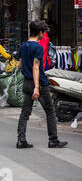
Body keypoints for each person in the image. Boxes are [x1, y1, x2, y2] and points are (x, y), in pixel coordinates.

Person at [16, 20, 68, 149]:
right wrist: (37, 87)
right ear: (40, 32)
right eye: (43, 32)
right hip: (38, 83)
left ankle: (21, 140)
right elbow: (36, 67)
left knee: (25, 112)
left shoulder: (23, 46)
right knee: (50, 111)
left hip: (26, 82)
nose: (43, 34)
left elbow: (21, 64)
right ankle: (53, 140)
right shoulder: (38, 47)